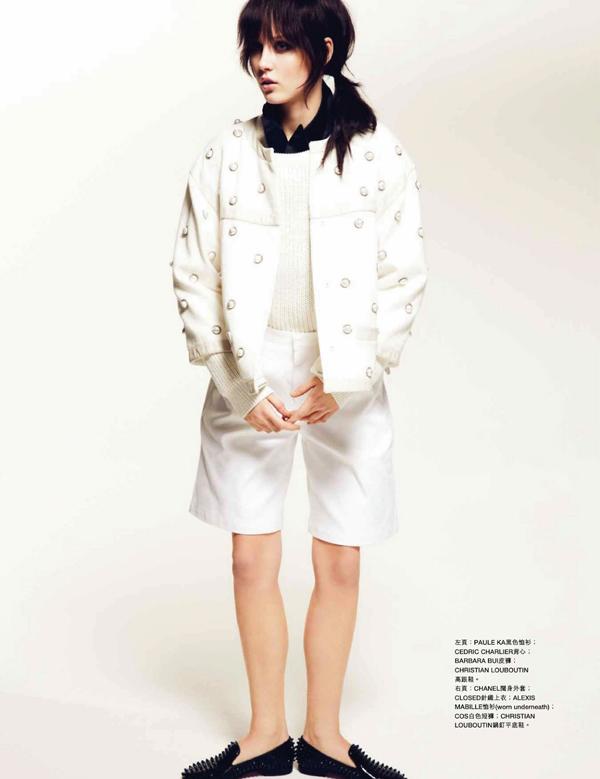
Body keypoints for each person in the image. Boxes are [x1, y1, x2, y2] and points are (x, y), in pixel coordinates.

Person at [171, 2, 428, 778]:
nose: (262, 60)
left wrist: (350, 380)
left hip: (345, 369)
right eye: (255, 44)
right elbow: (194, 274)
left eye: (280, 45)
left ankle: (324, 735)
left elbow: (403, 276)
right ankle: (263, 735)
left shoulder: (377, 153)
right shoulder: (226, 154)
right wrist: (236, 383)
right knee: (251, 558)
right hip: (248, 370)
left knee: (340, 559)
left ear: (323, 48)